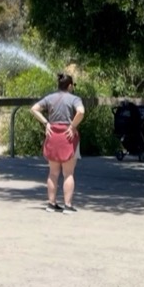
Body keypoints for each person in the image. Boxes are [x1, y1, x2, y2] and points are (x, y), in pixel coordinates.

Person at [31, 72, 85, 211]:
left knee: (53, 173)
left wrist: (46, 123)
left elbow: (34, 109)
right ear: (70, 86)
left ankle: (51, 204)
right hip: (68, 136)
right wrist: (73, 126)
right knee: (68, 173)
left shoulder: (50, 98)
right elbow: (81, 112)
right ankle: (68, 205)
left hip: (53, 135)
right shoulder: (74, 99)